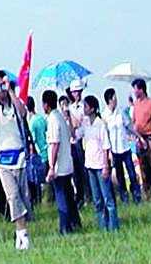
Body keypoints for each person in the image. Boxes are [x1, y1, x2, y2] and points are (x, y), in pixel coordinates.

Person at [0, 71, 30, 250]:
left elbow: (23, 113)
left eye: (2, 85)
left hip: (20, 157)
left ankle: (21, 232)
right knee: (12, 196)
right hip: (3, 160)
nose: (0, 90)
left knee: (24, 198)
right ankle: (22, 234)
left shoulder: (15, 101)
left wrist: (10, 91)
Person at [44, 90, 81, 235]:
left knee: (61, 199)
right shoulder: (60, 117)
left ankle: (65, 227)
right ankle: (74, 223)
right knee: (69, 196)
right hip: (67, 164)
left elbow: (55, 144)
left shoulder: (53, 120)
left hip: (59, 166)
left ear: (46, 105)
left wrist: (51, 167)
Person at [80, 95, 118, 231]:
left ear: (93, 108)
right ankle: (102, 226)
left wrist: (106, 166)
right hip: (90, 164)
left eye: (86, 106)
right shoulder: (85, 123)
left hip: (100, 164)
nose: (84, 109)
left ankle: (113, 226)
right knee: (97, 200)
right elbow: (75, 135)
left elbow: (106, 146)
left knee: (107, 197)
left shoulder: (100, 124)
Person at [102, 88, 141, 204]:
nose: (116, 100)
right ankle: (124, 198)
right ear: (109, 100)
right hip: (114, 150)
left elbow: (129, 126)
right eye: (114, 98)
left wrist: (139, 136)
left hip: (125, 147)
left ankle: (136, 196)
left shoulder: (120, 112)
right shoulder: (104, 116)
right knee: (120, 176)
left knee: (132, 174)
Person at [66, 79, 89, 208]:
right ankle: (79, 196)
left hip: (82, 140)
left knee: (84, 170)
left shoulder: (84, 106)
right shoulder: (70, 107)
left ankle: (87, 195)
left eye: (78, 91)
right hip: (72, 141)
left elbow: (79, 123)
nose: (77, 94)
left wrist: (71, 116)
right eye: (75, 92)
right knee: (75, 172)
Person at [27, 96, 47, 206]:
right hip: (46, 151)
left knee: (37, 181)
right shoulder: (41, 118)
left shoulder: (32, 122)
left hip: (38, 154)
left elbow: (32, 141)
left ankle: (42, 202)